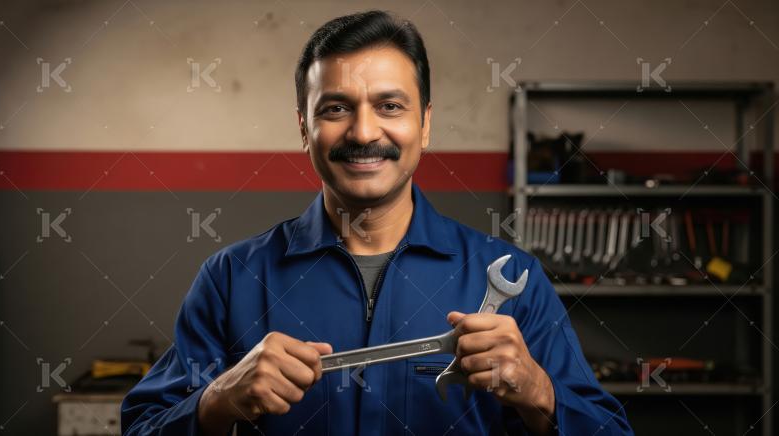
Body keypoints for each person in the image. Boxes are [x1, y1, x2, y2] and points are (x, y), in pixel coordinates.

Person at [121, 10, 632, 435]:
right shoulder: (232, 278)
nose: (364, 132)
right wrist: (216, 400)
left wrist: (539, 393)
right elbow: (142, 427)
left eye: (389, 106)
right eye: (336, 109)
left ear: (424, 124)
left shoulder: (512, 277)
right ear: (305, 129)